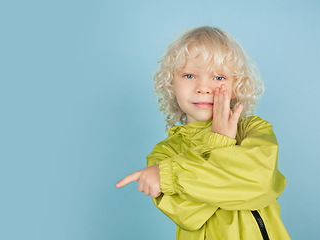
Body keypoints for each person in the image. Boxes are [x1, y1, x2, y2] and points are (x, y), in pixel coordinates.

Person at [116, 26, 291, 240]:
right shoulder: (165, 153)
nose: (203, 88)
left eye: (218, 78)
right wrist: (220, 145)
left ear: (236, 85)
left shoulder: (254, 131)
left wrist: (170, 175)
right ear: (172, 84)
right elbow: (188, 214)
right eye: (189, 75)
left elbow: (259, 184)